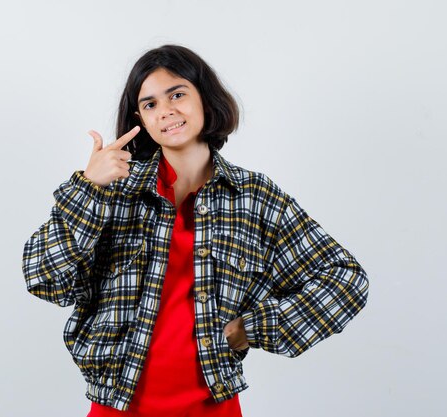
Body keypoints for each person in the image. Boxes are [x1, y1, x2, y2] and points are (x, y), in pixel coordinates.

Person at [22, 44, 369, 417]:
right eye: (150, 104)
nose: (166, 110)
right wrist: (89, 188)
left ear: (205, 97)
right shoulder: (112, 190)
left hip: (213, 407)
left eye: (177, 94)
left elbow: (345, 279)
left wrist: (252, 328)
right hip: (117, 407)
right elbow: (45, 279)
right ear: (139, 117)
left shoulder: (254, 197)